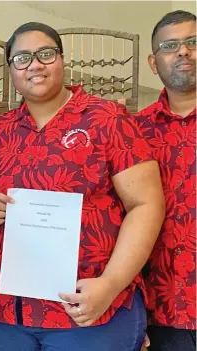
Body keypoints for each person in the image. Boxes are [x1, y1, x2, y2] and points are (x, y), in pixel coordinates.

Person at [0, 22, 166, 351]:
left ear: (61, 59)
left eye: (46, 54)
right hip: (5, 312)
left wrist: (111, 285)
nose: (35, 65)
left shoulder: (107, 119)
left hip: (89, 310)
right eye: (22, 58)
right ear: (11, 70)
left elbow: (147, 205)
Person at [135, 10, 196, 351]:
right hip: (162, 309)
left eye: (193, 42)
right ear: (153, 63)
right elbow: (117, 222)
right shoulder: (133, 132)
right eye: (171, 46)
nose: (183, 51)